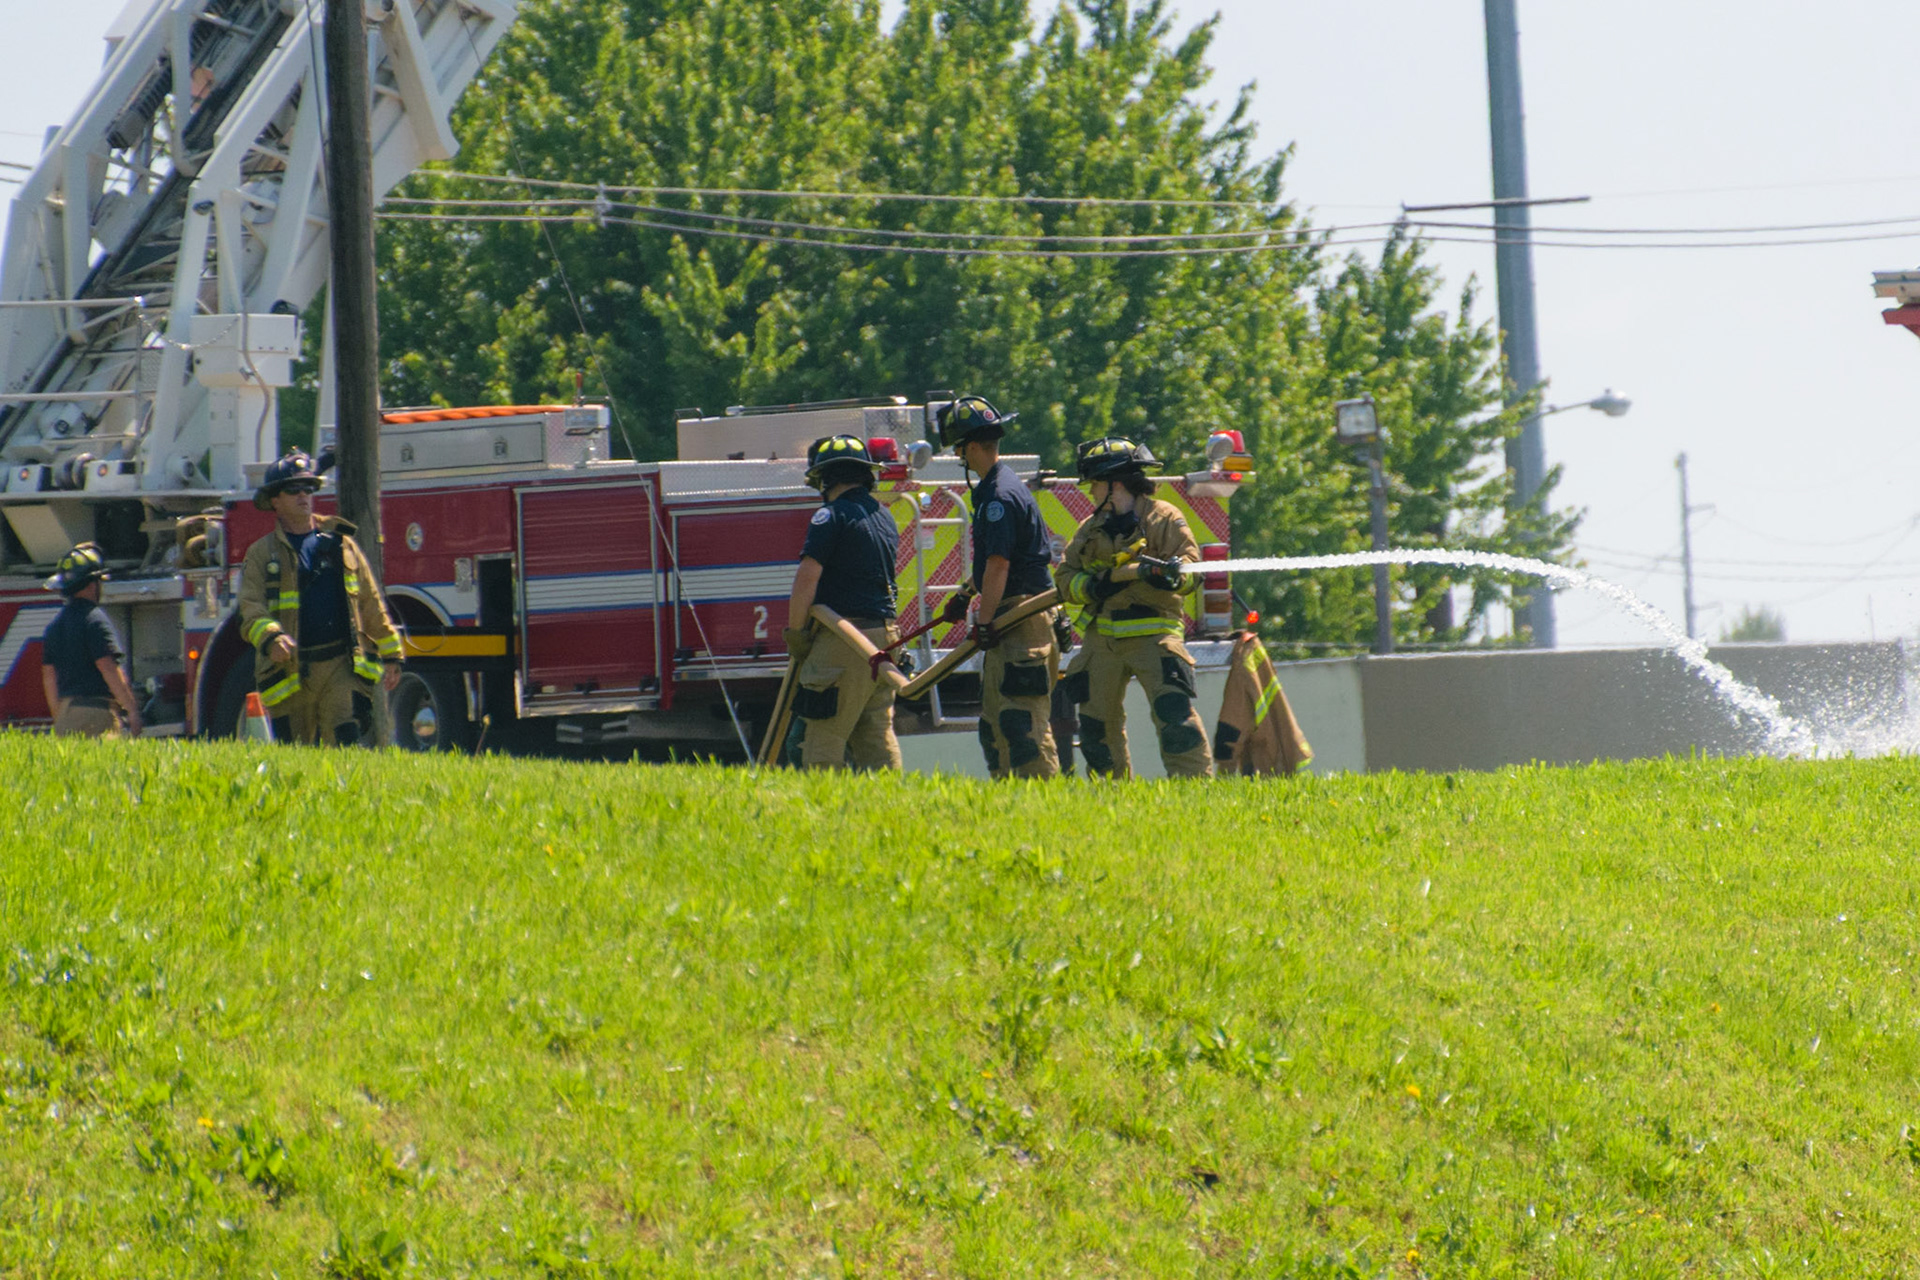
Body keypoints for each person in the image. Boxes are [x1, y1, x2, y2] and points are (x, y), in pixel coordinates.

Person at [1055, 436, 1212, 778]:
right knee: (1097, 729)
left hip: (1155, 635)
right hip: (1103, 641)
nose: (1091, 492)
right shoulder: (1091, 528)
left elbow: (1191, 570)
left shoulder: (1164, 518)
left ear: (1116, 483)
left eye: (1095, 484)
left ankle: (1196, 794)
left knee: (1175, 718)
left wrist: (1170, 577)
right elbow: (1065, 578)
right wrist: (1094, 585)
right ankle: (1114, 799)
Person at [237, 451, 402, 745]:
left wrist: (392, 654)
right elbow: (250, 608)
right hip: (289, 671)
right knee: (295, 757)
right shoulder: (262, 554)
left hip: (341, 665)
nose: (304, 495)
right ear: (275, 500)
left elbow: (370, 601)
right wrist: (271, 637)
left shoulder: (342, 544)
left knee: (345, 743)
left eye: (309, 489)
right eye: (294, 490)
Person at [935, 394, 1059, 779]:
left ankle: (1046, 808)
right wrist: (966, 594)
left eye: (959, 449)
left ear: (971, 447)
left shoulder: (999, 497)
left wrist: (983, 622)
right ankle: (1009, 807)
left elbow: (1000, 564)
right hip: (1010, 622)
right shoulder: (997, 488)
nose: (960, 457)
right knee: (996, 726)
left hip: (1022, 622)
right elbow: (1000, 561)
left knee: (1023, 727)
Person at [781, 434, 903, 771]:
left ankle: (825, 816)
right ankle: (891, 811)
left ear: (824, 479)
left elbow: (807, 577)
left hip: (844, 641)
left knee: (813, 742)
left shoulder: (830, 515)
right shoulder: (885, 515)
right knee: (875, 737)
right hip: (883, 640)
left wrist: (796, 633)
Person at [38, 542, 143, 738]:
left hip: (66, 713)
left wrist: (59, 717)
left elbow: (49, 677)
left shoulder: (54, 627)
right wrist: (132, 709)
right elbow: (107, 666)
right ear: (92, 583)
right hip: (97, 713)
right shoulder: (94, 619)